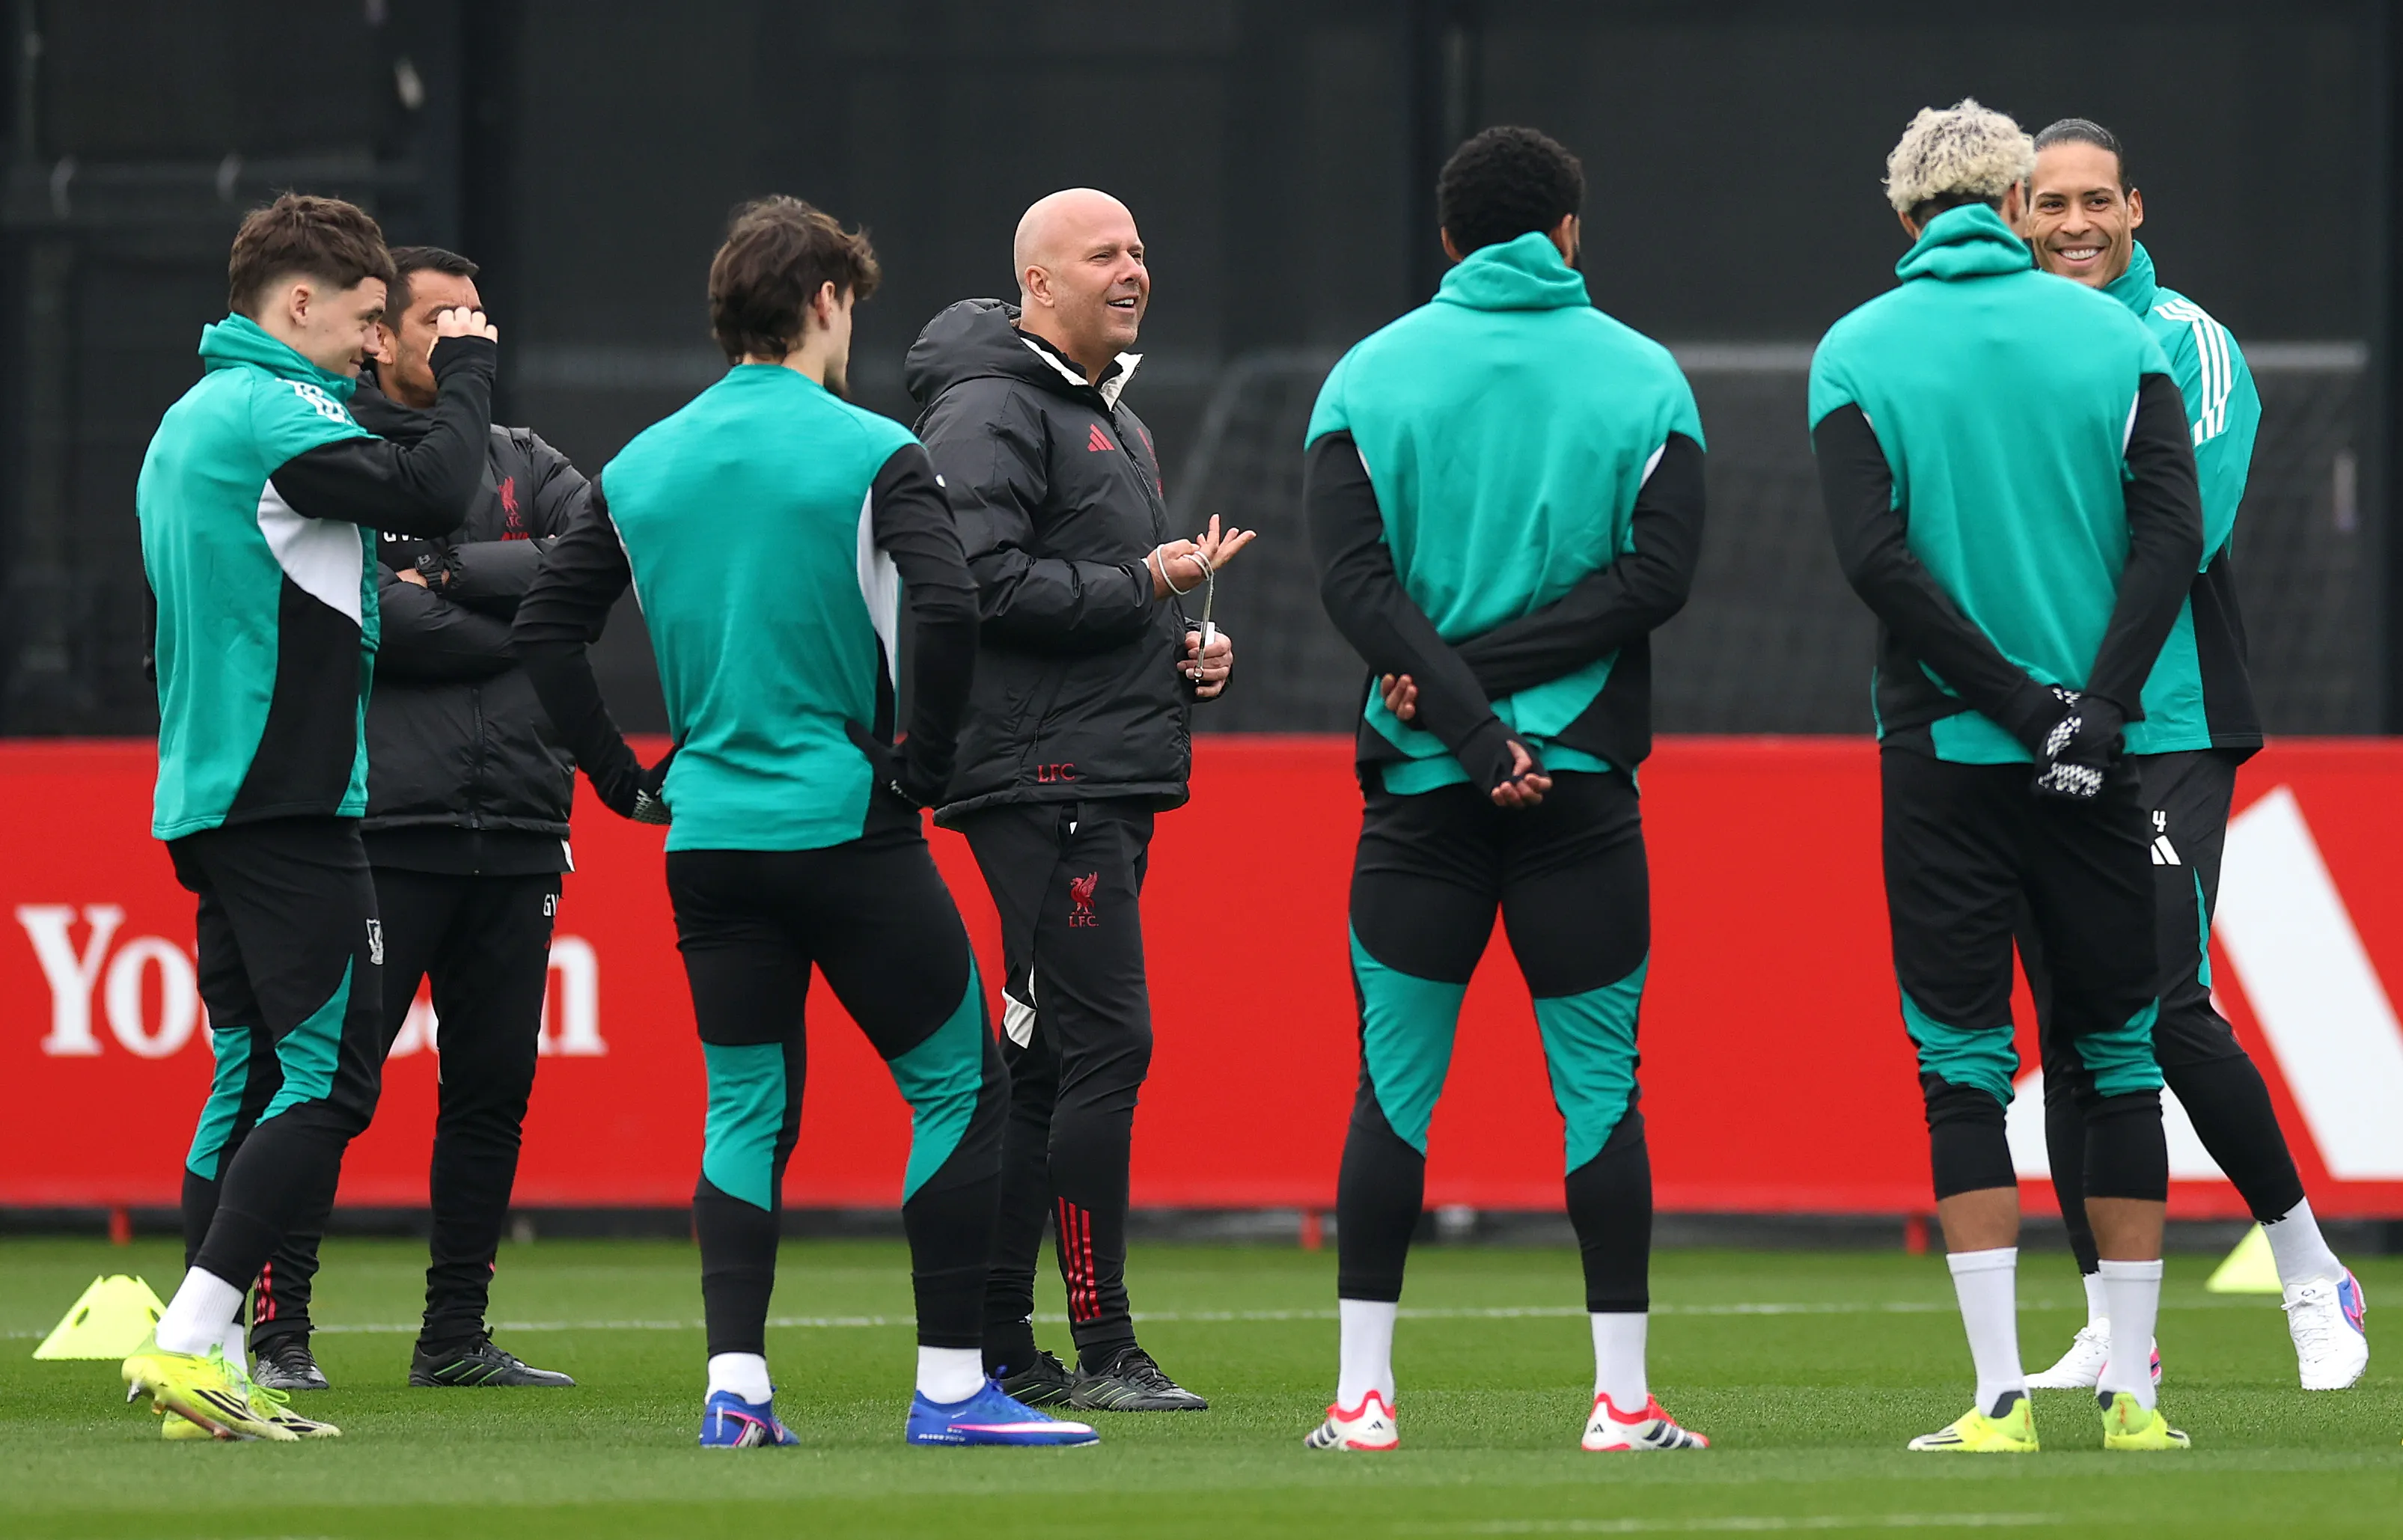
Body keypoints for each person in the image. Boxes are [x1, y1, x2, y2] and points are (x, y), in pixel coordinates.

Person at [513, 196, 1095, 1449]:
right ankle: (952, 1389)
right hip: (845, 825)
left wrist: (621, 780)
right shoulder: (870, 448)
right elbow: (947, 606)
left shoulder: (643, 462)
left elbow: (545, 628)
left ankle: (737, 1389)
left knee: (743, 1107)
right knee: (960, 1085)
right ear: (827, 302)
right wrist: (921, 765)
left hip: (708, 841)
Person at [1301, 125, 1709, 1455]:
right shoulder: (1645, 377)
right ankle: (1622, 1401)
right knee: (1600, 1095)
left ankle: (1361, 1400)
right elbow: (1655, 582)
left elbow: (1354, 588)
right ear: (1568, 232)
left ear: (1446, 239)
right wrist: (1502, 712)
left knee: (1391, 1092)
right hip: (1579, 790)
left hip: (1420, 787)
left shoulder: (1365, 377)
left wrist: (1462, 712)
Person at [1810, 100, 2204, 1453]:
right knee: (2120, 1058)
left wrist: (2016, 706)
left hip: (1944, 756)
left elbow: (1875, 561)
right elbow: (2170, 538)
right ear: (2014, 203)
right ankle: (2134, 1396)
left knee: (1961, 1068)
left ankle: (1997, 1398)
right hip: (2096, 756)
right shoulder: (2117, 339)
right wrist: (2093, 710)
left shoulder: (1855, 348)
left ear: (1904, 213)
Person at [125, 193, 498, 1441]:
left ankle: (215, 1367)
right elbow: (440, 486)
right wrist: (468, 367)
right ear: (298, 304)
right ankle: (190, 1337)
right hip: (286, 795)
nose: (376, 342)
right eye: (367, 316)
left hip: (213, 793)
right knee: (334, 1079)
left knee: (248, 1073)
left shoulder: (192, 418)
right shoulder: (270, 410)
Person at [2013, 120, 2369, 1395]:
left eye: (2093, 200)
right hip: (2033, 728)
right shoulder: (2008, 347)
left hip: (2163, 721)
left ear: (2133, 208)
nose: (2073, 224)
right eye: (2048, 203)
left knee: (2160, 1003)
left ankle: (2308, 1267)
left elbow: (2179, 531)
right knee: (2070, 1024)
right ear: (2015, 218)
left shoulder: (2188, 342)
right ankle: (2114, 1330)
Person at [905, 187, 1250, 1413]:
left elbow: (1091, 596)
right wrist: (1141, 584)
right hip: (1043, 782)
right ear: (1038, 284)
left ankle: (1004, 1343)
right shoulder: (991, 404)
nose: (1133, 268)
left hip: (1096, 769)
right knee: (1106, 1045)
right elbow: (976, 584)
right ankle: (1104, 1347)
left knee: (1046, 1060)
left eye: (1140, 250)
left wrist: (1183, 653)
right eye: (1104, 253)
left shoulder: (1112, 418)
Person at [241, 246, 586, 1395]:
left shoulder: (528, 458)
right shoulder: (340, 451)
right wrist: (519, 616)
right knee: (329, 1083)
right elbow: (384, 625)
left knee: (491, 1095)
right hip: (384, 827)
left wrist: (454, 573)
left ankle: (454, 1335)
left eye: (477, 314)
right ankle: (279, 1331)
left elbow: (600, 562)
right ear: (381, 334)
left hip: (520, 827)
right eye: (441, 316)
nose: (465, 332)